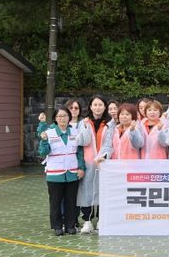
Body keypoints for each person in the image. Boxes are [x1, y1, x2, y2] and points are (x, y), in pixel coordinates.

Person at [38, 107, 85, 235]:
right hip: (55, 173)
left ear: (69, 117)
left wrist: (81, 168)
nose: (62, 118)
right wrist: (43, 141)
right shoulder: (49, 133)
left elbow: (80, 152)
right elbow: (43, 152)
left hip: (72, 172)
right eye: (59, 116)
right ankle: (57, 226)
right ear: (55, 118)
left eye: (64, 116)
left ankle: (70, 225)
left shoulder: (76, 132)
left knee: (71, 201)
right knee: (55, 202)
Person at [75, 95, 114, 234]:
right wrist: (86, 127)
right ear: (90, 107)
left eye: (100, 105)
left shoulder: (110, 123)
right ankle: (87, 221)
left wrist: (103, 156)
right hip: (88, 162)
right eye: (95, 105)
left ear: (105, 107)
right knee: (87, 191)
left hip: (104, 162)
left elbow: (109, 143)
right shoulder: (83, 122)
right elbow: (83, 141)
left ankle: (101, 220)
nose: (97, 107)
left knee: (103, 191)